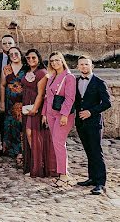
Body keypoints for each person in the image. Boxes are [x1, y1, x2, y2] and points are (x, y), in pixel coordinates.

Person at [74, 56, 111, 195]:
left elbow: (107, 103)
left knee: (96, 151)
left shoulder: (100, 82)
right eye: (81, 64)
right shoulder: (76, 81)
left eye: (86, 64)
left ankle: (101, 183)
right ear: (78, 67)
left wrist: (91, 112)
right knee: (89, 151)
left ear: (92, 66)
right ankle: (92, 178)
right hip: (81, 123)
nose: (84, 66)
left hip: (94, 123)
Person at [21, 48, 55, 178]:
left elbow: (41, 94)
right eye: (28, 58)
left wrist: (35, 109)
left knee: (33, 134)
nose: (30, 60)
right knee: (29, 134)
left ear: (39, 59)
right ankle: (33, 163)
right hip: (27, 105)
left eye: (33, 58)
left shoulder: (42, 73)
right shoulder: (28, 71)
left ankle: (39, 164)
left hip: (37, 107)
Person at [44, 52, 76, 184]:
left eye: (57, 60)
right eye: (52, 61)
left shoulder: (69, 77)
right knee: (55, 142)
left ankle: (63, 173)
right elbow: (47, 97)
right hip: (51, 114)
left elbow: (70, 98)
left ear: (62, 61)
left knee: (58, 142)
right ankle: (56, 169)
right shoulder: (51, 76)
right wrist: (44, 114)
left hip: (63, 114)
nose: (54, 63)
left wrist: (64, 115)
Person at [0, 46, 25, 161]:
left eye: (16, 53)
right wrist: (2, 102)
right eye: (11, 54)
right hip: (10, 102)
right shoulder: (6, 68)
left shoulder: (26, 68)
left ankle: (22, 151)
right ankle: (11, 150)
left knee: (22, 126)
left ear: (20, 54)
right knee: (11, 125)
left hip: (23, 102)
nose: (14, 56)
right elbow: (2, 85)